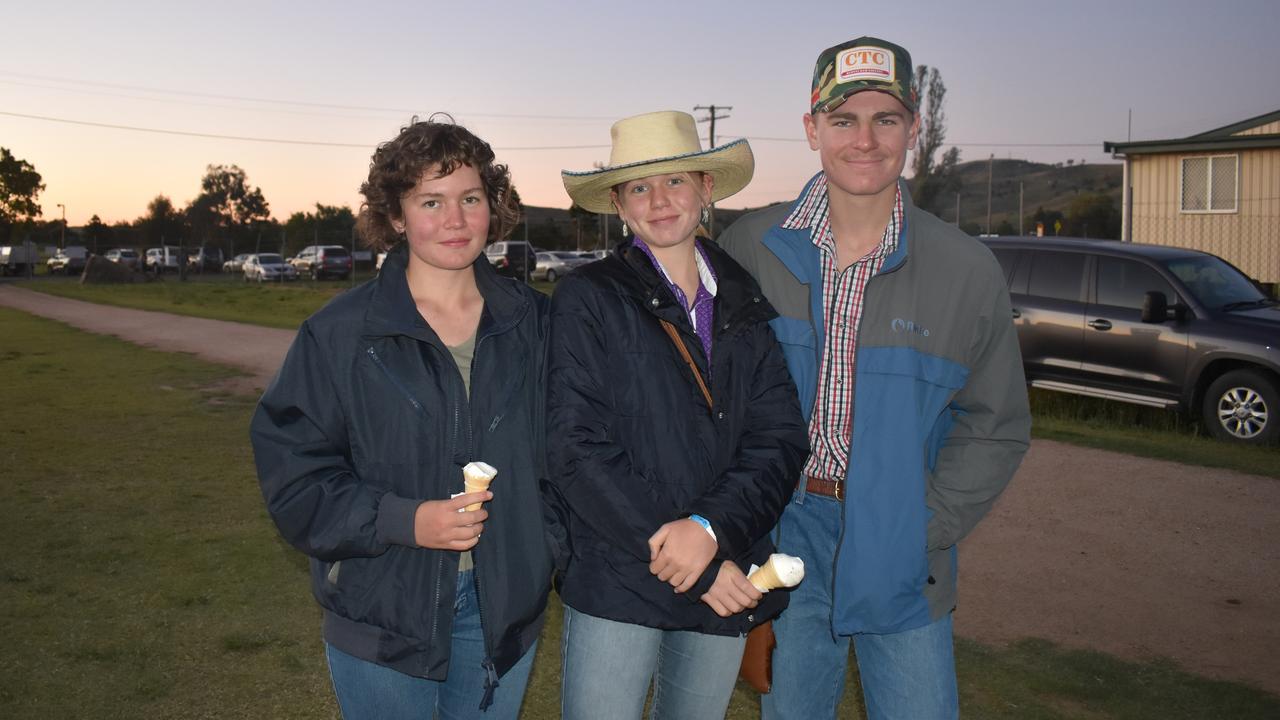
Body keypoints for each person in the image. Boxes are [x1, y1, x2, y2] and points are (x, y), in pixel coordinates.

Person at [719, 37, 1032, 720]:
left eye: (885, 119)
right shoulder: (749, 246)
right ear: (811, 130)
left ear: (914, 130)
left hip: (901, 545)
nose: (864, 139)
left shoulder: (967, 269)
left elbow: (997, 424)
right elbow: (714, 395)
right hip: (786, 536)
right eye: (842, 120)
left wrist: (928, 521)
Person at [250, 117, 552, 719]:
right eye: (430, 201)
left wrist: (544, 555)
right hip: (383, 611)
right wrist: (403, 519)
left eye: (470, 198)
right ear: (395, 216)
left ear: (493, 206)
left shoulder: (539, 324)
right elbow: (295, 477)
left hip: (504, 611)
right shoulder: (339, 334)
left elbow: (571, 457)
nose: (455, 220)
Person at [547, 110, 810, 720]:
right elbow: (574, 447)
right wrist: (690, 557)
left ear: (706, 188)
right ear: (618, 202)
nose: (659, 201)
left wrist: (712, 533)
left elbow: (779, 440)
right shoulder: (587, 298)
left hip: (723, 571)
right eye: (639, 186)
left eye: (676, 181)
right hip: (620, 574)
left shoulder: (743, 301)